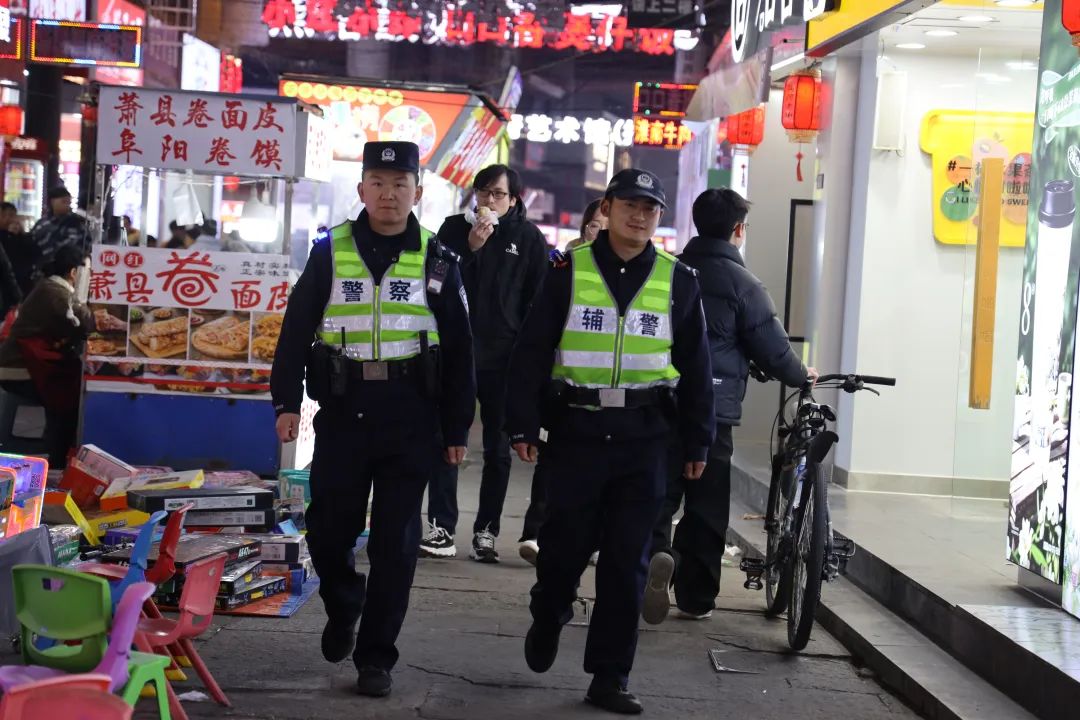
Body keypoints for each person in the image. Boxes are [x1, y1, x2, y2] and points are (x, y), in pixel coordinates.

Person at [270, 141, 476, 699]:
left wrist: (456, 428)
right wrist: (286, 402)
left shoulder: (438, 259)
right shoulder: (330, 252)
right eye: (378, 183)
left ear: (417, 192)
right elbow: (295, 330)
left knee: (396, 543)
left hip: (412, 415)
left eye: (400, 184)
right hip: (344, 410)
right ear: (362, 189)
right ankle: (344, 604)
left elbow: (461, 348)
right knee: (328, 528)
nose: (389, 194)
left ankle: (377, 656)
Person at [506, 168, 714, 714]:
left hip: (645, 441)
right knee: (563, 552)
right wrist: (523, 424)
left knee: (628, 564)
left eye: (650, 209)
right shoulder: (567, 271)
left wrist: (699, 441)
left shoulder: (677, 280)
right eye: (630, 205)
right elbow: (532, 352)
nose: (639, 216)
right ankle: (549, 612)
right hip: (576, 434)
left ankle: (609, 675)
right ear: (607, 208)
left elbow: (696, 367)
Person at [643, 188, 816, 626]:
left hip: (658, 401)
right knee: (706, 504)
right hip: (714, 411)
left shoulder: (667, 272)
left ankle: (654, 559)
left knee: (657, 494)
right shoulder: (744, 285)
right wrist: (802, 374)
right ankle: (696, 596)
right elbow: (773, 349)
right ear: (738, 230)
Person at [419, 163, 548, 562]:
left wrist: (528, 357)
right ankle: (441, 527)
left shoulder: (528, 238)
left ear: (514, 200)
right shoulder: (452, 230)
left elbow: (538, 301)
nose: (489, 201)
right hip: (456, 353)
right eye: (483, 192)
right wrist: (470, 250)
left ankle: (486, 532)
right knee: (446, 439)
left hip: (503, 358)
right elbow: (434, 283)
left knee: (498, 448)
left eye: (498, 194)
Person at [518, 197, 607, 565]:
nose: (600, 233)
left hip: (608, 394)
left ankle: (593, 540)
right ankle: (534, 534)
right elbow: (537, 338)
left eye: (605, 227)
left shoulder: (632, 275)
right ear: (584, 228)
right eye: (595, 226)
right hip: (562, 389)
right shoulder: (562, 267)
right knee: (550, 465)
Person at [0, 245, 93, 467]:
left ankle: (56, 455)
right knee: (67, 400)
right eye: (88, 273)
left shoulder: (51, 288)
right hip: (18, 368)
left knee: (69, 392)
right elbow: (85, 322)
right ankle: (56, 461)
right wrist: (83, 295)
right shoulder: (55, 293)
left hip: (26, 362)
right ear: (74, 273)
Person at [29, 187, 89, 274]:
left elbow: (85, 244)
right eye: (63, 202)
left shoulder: (76, 223)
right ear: (53, 202)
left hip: (71, 270)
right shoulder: (42, 224)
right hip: (44, 270)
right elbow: (33, 245)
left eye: (69, 203)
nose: (67, 205)